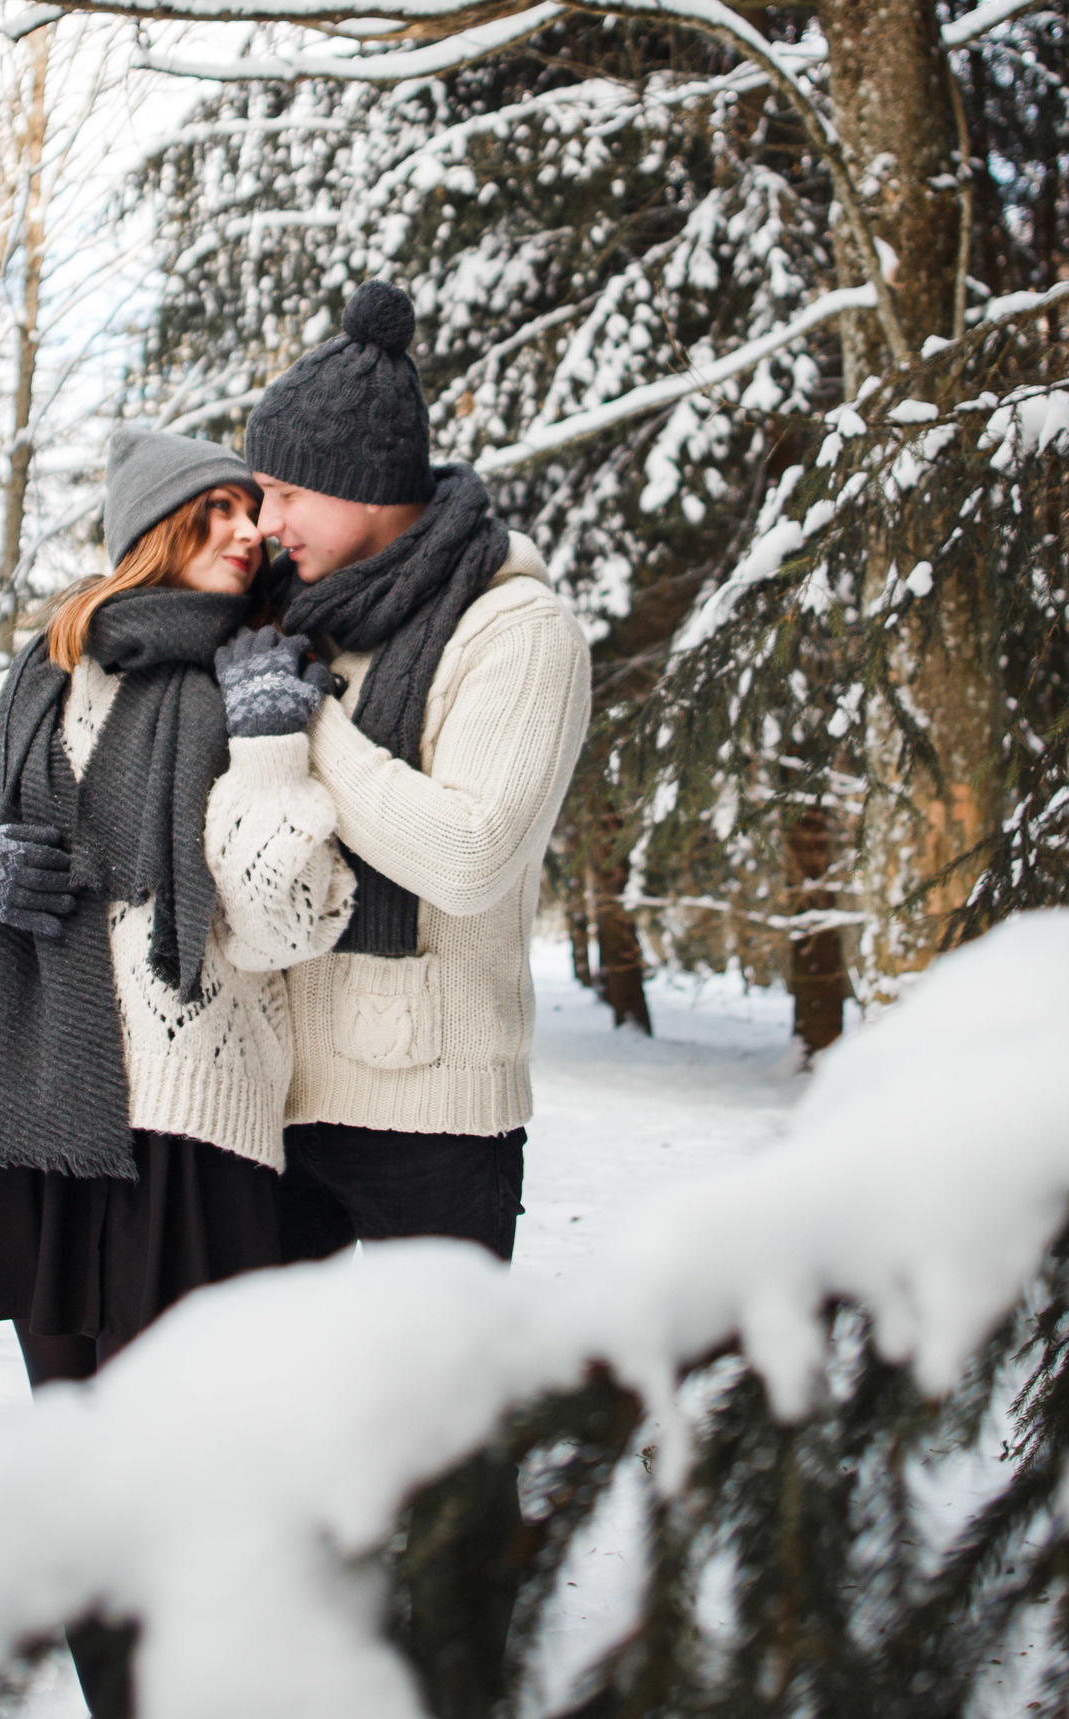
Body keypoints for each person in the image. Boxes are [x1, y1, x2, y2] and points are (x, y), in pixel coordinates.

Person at [0, 429, 349, 1717]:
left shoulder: (266, 678)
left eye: (253, 517)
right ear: (152, 528)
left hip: (191, 1135)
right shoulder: (22, 691)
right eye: (217, 512)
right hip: (34, 1117)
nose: (247, 533)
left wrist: (267, 750)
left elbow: (289, 926)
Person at [243, 278, 593, 1274]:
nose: (266, 522)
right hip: (265, 1096)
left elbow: (470, 853)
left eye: (287, 493)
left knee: (435, 1425)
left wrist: (303, 719)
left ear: (362, 484)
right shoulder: (282, 619)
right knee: (266, 1413)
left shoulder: (517, 632)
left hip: (432, 1117)